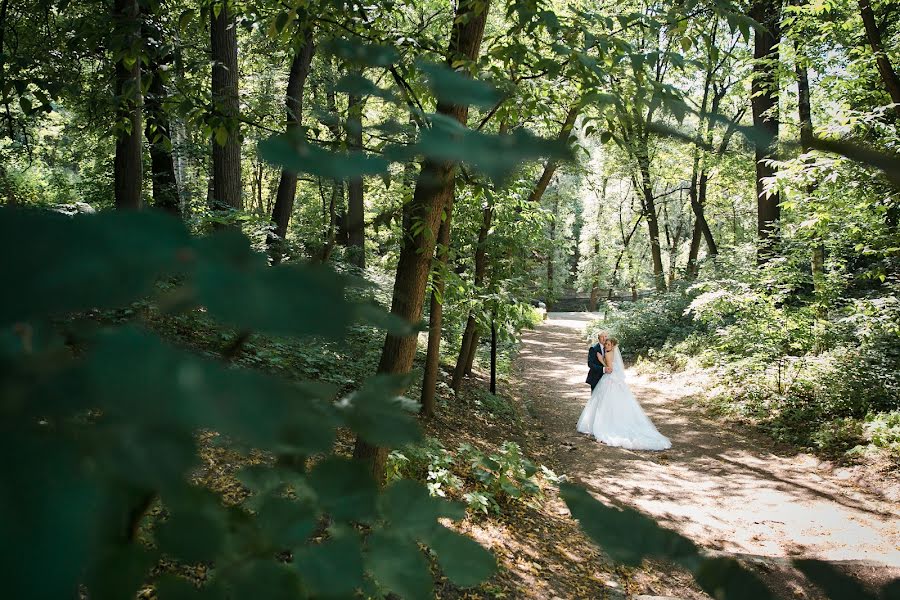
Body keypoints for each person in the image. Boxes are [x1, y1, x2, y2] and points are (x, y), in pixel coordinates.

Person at [577, 337, 671, 451]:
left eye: (608, 344)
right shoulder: (613, 353)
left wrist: (601, 359)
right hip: (616, 380)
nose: (606, 346)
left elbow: (609, 369)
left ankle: (603, 424)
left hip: (609, 379)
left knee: (605, 402)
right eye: (606, 344)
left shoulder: (607, 354)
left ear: (613, 346)